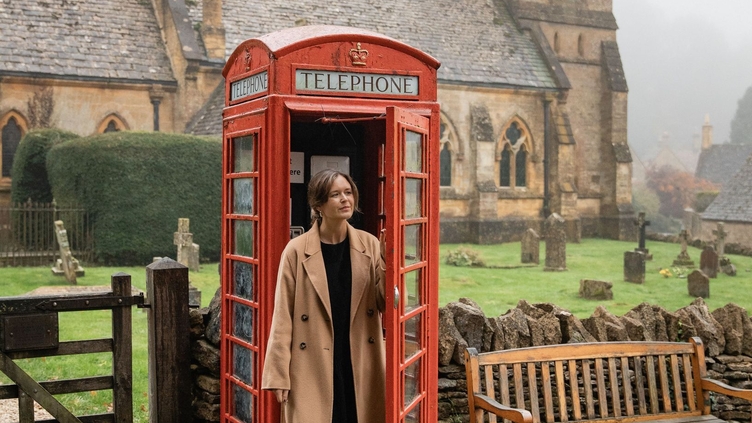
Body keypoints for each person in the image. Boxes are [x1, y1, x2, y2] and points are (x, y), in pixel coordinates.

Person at [261, 168, 386, 423]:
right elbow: (282, 316)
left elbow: (386, 303)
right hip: (312, 362)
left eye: (348, 192)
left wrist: (388, 261)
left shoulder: (370, 244)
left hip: (359, 359)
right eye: (335, 194)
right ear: (318, 204)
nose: (345, 199)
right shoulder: (296, 251)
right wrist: (278, 374)